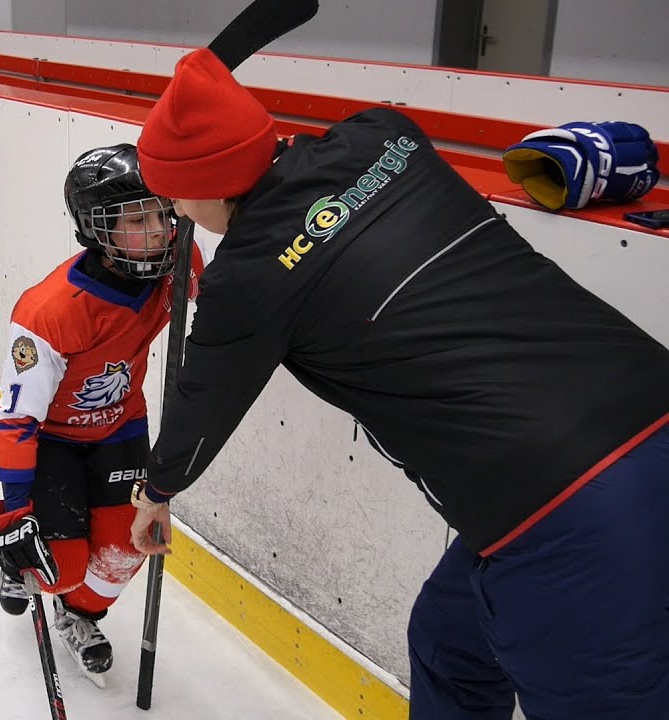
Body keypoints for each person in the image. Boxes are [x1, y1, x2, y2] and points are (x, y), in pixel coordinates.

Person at [130, 47, 669, 719]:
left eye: (174, 194)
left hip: (566, 518)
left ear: (208, 182)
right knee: (451, 644)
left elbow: (200, 405)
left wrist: (156, 493)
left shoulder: (247, 279)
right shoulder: (383, 135)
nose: (175, 212)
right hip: (644, 408)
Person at [0, 144, 202, 682]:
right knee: (62, 567)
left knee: (134, 544)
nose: (155, 232)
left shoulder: (178, 256)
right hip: (54, 441)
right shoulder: (49, 311)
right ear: (96, 232)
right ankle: (12, 553)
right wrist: (14, 510)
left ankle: (78, 616)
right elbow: (16, 419)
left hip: (122, 426)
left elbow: (224, 296)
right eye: (135, 220)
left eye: (160, 214)